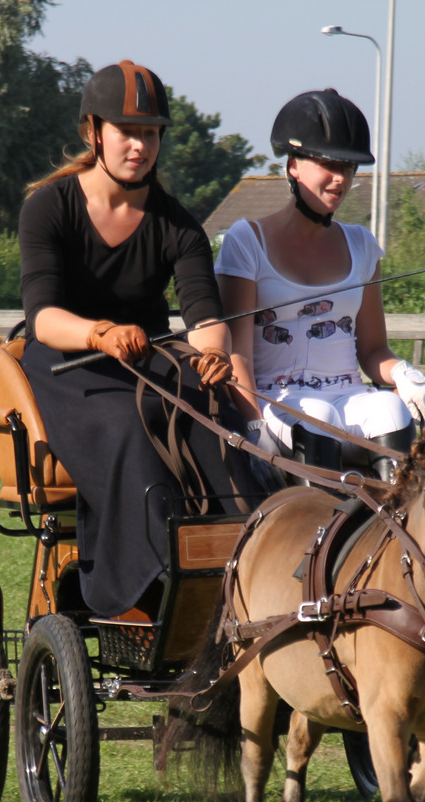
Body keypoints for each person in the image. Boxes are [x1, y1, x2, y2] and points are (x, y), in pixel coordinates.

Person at [17, 60, 261, 620]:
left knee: (214, 422)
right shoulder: (49, 208)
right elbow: (42, 317)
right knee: (132, 426)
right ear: (93, 132)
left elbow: (203, 312)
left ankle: (239, 566)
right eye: (127, 132)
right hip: (67, 367)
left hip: (148, 363)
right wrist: (100, 333)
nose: (140, 146)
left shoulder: (179, 225)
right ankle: (139, 589)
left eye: (150, 134)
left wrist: (214, 353)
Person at [214, 88, 425, 485]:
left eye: (348, 167)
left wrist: (403, 373)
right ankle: (319, 519)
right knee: (316, 415)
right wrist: (253, 426)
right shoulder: (247, 241)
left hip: (349, 397)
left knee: (390, 409)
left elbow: (373, 350)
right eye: (329, 164)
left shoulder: (362, 246)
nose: (341, 178)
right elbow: (239, 355)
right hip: (278, 402)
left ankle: (400, 515)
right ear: (294, 165)